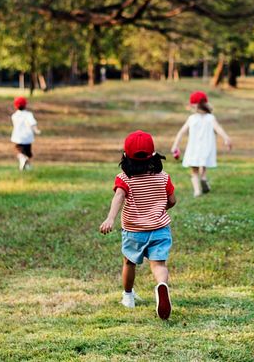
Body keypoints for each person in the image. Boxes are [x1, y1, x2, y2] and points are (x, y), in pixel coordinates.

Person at [99, 130, 176, 320]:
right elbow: (172, 200)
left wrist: (110, 218)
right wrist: (158, 210)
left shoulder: (124, 178)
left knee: (129, 262)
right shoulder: (163, 177)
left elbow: (119, 196)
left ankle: (128, 296)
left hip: (134, 230)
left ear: (125, 155)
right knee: (158, 264)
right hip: (160, 229)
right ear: (154, 154)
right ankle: (161, 286)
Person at [170, 91, 232, 197]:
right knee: (203, 165)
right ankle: (203, 178)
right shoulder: (210, 118)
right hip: (206, 148)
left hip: (194, 149)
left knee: (194, 171)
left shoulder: (192, 119)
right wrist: (226, 138)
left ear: (194, 105)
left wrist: (175, 145)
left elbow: (181, 132)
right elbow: (218, 128)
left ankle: (197, 191)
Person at [10, 96, 40, 170]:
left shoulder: (14, 116)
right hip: (28, 138)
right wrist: (36, 130)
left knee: (20, 153)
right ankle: (27, 166)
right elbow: (32, 123)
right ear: (25, 105)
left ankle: (23, 162)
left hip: (18, 138)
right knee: (27, 153)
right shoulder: (28, 114)